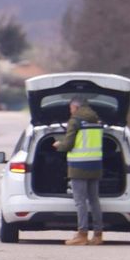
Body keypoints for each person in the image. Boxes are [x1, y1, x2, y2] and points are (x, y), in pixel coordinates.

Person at [52, 97, 104, 245]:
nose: (70, 112)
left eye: (70, 109)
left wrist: (58, 145)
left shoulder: (75, 121)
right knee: (94, 201)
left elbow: (68, 144)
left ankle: (82, 235)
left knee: (80, 201)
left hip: (79, 166)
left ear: (75, 107)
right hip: (95, 165)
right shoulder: (96, 120)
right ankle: (98, 236)